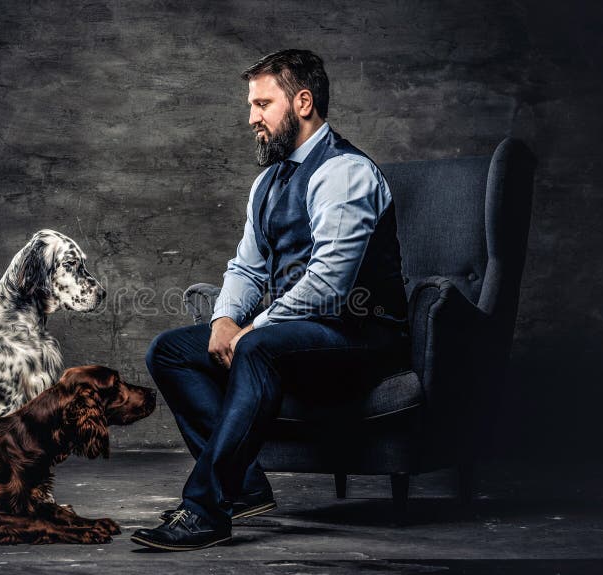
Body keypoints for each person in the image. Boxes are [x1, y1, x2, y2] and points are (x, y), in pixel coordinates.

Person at [131, 49, 410, 551]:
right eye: (251, 105)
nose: (252, 118)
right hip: (296, 334)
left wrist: (252, 331)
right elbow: (246, 266)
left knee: (259, 348)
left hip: (361, 337)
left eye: (263, 104)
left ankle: (206, 510)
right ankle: (245, 488)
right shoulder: (268, 181)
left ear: (303, 102)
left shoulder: (344, 173)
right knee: (170, 351)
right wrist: (223, 320)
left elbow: (328, 286)